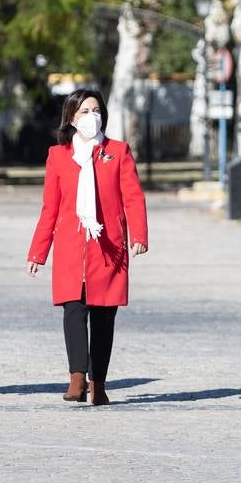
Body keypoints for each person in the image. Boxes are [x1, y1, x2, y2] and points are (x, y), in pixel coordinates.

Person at [26, 89, 148, 406]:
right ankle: (77, 379)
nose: (90, 117)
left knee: (104, 317)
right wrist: (38, 252)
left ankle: (99, 383)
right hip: (70, 246)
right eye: (83, 112)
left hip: (108, 247)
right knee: (73, 311)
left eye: (95, 110)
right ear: (71, 118)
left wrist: (139, 234)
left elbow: (133, 196)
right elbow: (49, 208)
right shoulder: (58, 156)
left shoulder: (118, 152)